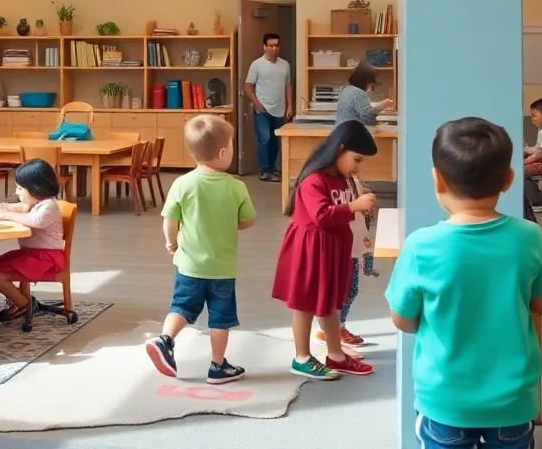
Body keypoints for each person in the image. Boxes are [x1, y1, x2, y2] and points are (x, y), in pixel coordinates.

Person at [385, 117, 542, 449]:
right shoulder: (528, 237)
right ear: (509, 179)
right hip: (513, 401)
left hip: (445, 400)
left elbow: (403, 319)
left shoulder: (421, 246)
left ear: (437, 181)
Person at [145, 115, 255, 384]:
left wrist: (171, 241)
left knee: (181, 306)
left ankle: (165, 340)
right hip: (222, 269)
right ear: (222, 152)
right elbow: (247, 221)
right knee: (220, 318)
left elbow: (169, 220)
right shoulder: (236, 187)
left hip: (189, 265)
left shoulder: (182, 184)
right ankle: (217, 366)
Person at [272, 120, 377, 380]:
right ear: (339, 149)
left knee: (330, 304)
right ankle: (302, 357)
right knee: (305, 304)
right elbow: (320, 215)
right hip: (311, 249)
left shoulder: (343, 179)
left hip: (332, 247)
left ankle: (336, 355)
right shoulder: (313, 180)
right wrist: (353, 207)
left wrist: (358, 205)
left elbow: (342, 208)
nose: (357, 166)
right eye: (357, 159)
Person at [0, 160, 65, 323]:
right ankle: (20, 298)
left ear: (36, 188)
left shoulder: (48, 206)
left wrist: (7, 214)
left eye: (20, 188)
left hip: (46, 258)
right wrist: (7, 207)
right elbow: (22, 207)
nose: (17, 192)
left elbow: (36, 221)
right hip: (31, 254)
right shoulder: (37, 202)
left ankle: (24, 304)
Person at [319, 171, 377, 349]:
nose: (358, 166)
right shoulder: (328, 182)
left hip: (354, 245)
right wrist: (356, 204)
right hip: (341, 246)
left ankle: (338, 326)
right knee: (338, 293)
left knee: (350, 291)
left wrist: (364, 199)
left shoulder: (353, 180)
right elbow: (328, 212)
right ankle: (330, 330)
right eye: (356, 159)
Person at [244, 33, 292, 182]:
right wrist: (258, 105)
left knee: (275, 140)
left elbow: (288, 85)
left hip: (279, 108)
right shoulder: (256, 64)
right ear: (264, 47)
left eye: (276, 45)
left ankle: (273, 169)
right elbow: (247, 86)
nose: (274, 48)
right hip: (262, 108)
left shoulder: (285, 65)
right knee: (264, 139)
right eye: (271, 45)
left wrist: (290, 105)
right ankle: (265, 170)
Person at [335, 61, 394, 127]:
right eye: (371, 83)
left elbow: (363, 110)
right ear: (366, 80)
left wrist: (383, 104)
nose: (371, 87)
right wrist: (384, 104)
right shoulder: (358, 93)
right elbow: (368, 119)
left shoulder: (348, 89)